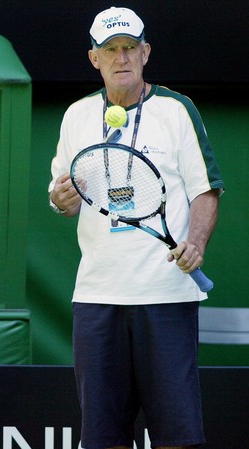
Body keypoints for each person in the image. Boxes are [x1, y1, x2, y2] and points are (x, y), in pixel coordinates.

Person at [48, 7, 224, 449]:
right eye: (110, 50)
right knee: (103, 439)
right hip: (96, 299)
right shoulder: (75, 116)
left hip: (165, 296)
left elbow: (206, 189)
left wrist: (196, 243)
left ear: (145, 52)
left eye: (129, 47)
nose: (121, 57)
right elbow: (62, 195)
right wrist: (60, 199)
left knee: (178, 437)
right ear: (94, 59)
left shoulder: (177, 110)